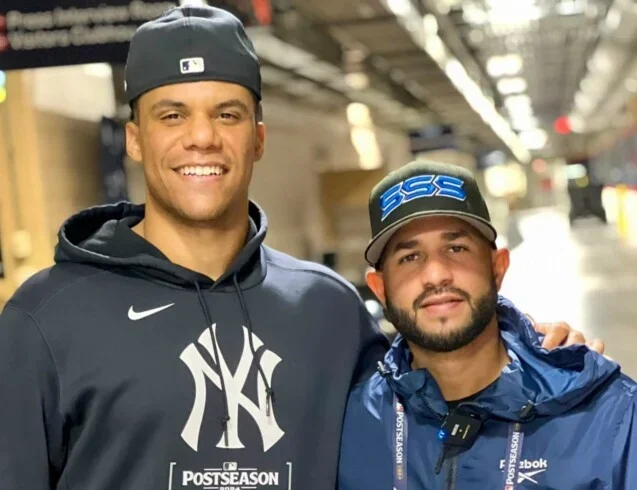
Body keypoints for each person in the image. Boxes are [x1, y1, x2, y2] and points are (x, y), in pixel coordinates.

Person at [0, 7, 602, 490]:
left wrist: (529, 350)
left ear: (258, 137)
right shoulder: (46, 320)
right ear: (135, 138)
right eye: (172, 115)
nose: (202, 137)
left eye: (227, 114)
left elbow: (435, 400)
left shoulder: (329, 309)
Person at [338, 160, 637, 490]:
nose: (436, 275)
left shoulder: (608, 416)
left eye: (456, 248)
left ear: (497, 268)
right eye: (409, 257)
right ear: (380, 289)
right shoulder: (350, 423)